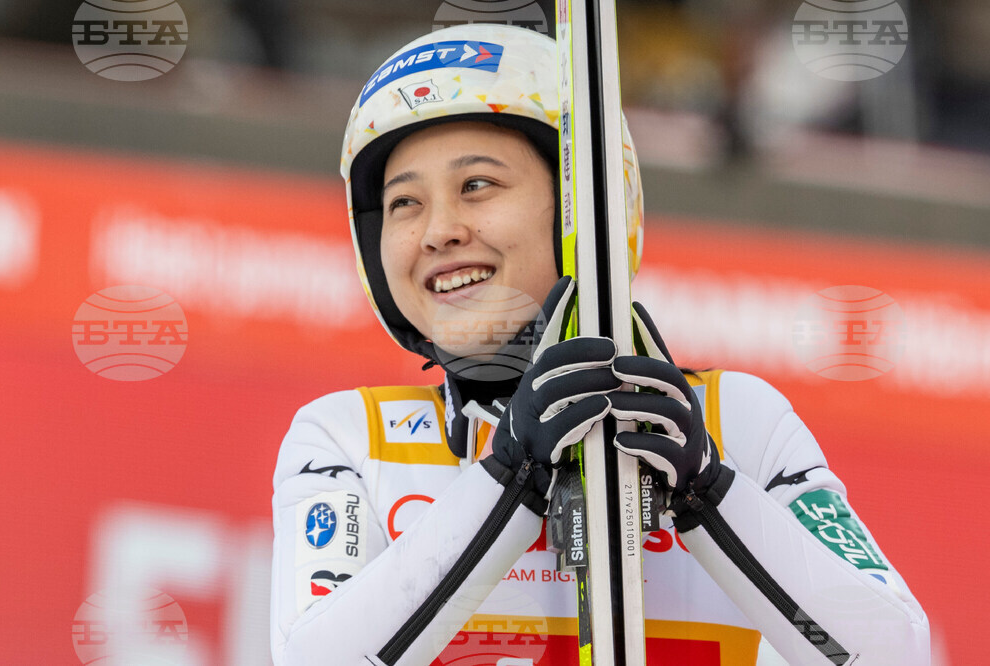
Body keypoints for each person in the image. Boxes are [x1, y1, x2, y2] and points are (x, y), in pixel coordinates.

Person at [270, 24, 930, 666]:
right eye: (404, 204)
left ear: (583, 206)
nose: (438, 230)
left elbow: (892, 651)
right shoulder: (347, 436)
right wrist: (511, 478)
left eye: (478, 185)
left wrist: (708, 492)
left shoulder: (735, 419)